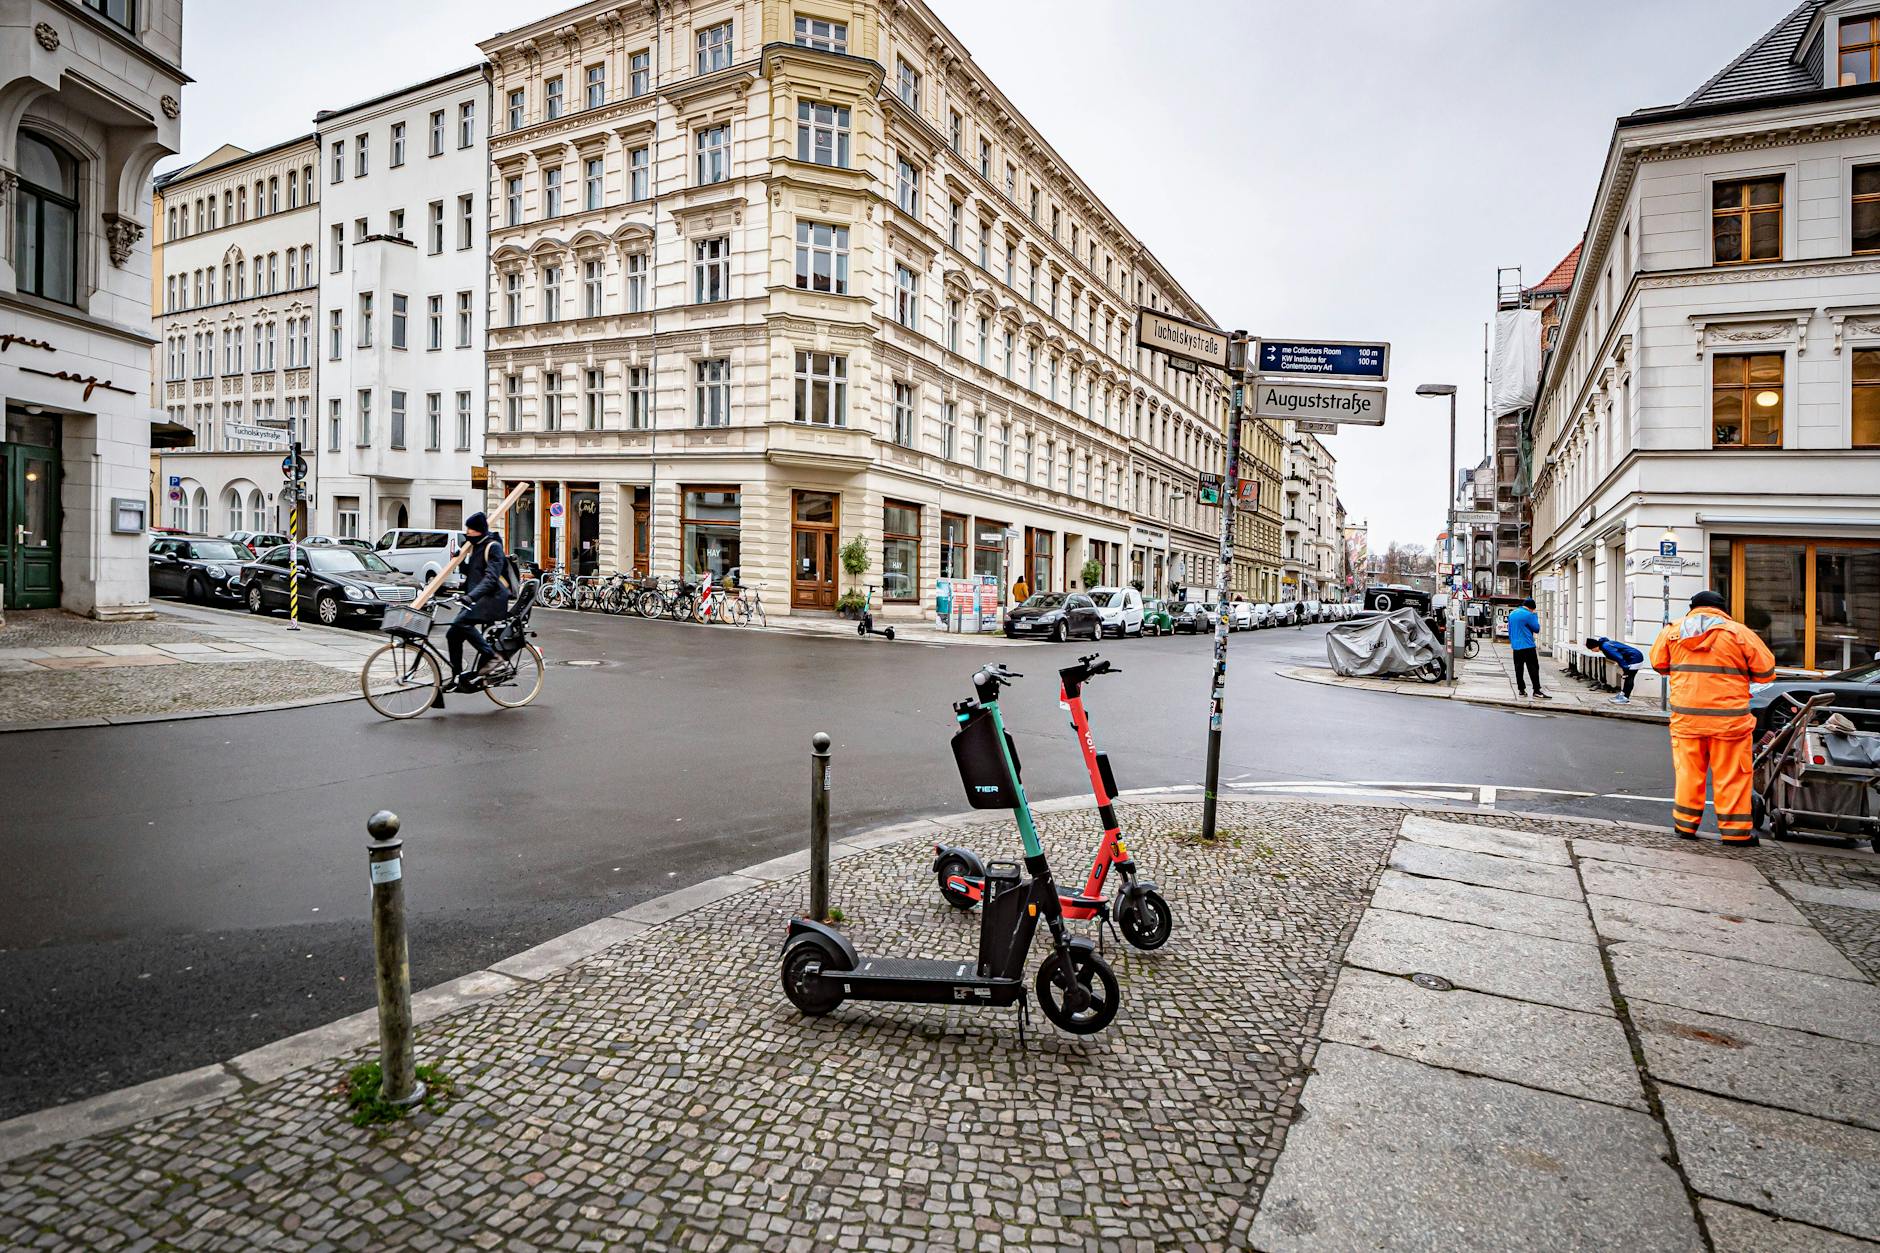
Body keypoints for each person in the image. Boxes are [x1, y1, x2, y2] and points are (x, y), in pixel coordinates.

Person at [1651, 590, 1775, 844]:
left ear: (1692, 607)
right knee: (1731, 775)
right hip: (1729, 721)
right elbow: (1766, 672)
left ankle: (1685, 826)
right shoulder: (1739, 633)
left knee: (1688, 773)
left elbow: (1658, 664)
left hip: (1687, 719)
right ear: (1722, 609)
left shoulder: (1672, 632)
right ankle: (1735, 833)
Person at [445, 512, 513, 692]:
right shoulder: (476, 547)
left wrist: (471, 597)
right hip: (478, 598)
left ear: (480, 530)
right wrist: (459, 561)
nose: (467, 532)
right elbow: (473, 573)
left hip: (493, 599)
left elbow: (490, 579)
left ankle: (493, 657)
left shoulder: (493, 547)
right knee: (452, 634)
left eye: (470, 529)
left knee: (462, 622)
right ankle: (457, 677)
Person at [1507, 598, 1548, 699]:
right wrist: (1535, 616)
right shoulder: (1529, 615)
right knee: (1533, 668)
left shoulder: (1512, 614)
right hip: (1528, 645)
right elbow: (1536, 629)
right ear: (1531, 608)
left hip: (1516, 646)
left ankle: (1521, 690)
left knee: (1518, 668)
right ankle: (1536, 690)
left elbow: (1510, 629)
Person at [1586, 635, 1646, 704]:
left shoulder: (1606, 647)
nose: (1592, 651)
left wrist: (1626, 669)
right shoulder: (1605, 644)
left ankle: (1625, 698)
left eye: (1591, 649)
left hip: (1634, 658)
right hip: (1633, 656)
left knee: (1629, 677)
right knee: (1628, 677)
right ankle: (1623, 695)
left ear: (1595, 646)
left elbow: (1619, 658)